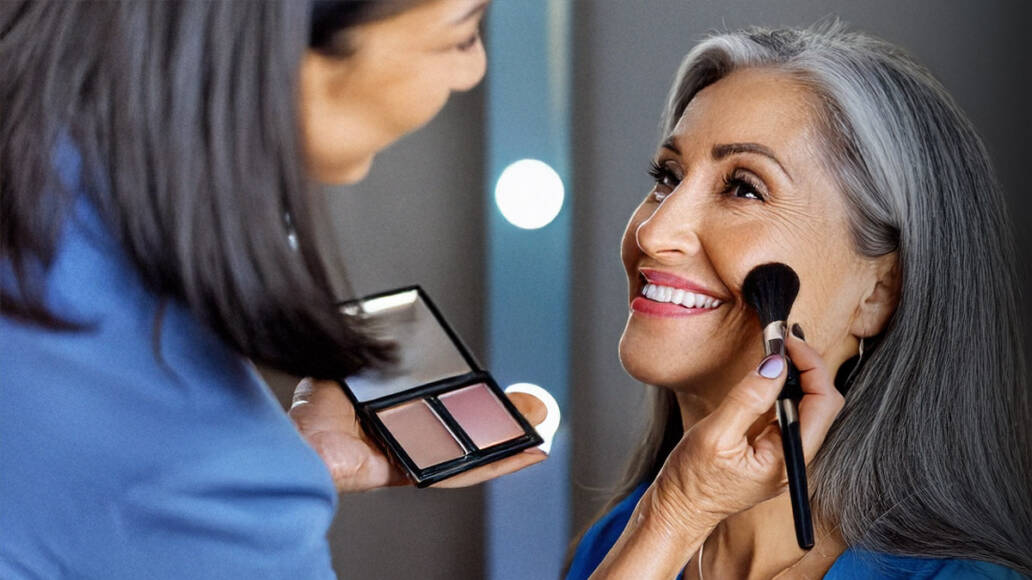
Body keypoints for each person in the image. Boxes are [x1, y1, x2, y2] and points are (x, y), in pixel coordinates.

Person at [0, 1, 547, 577]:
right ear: (286, 48)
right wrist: (656, 523)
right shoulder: (210, 476)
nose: (474, 70)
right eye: (461, 36)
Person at [564, 24, 1032, 579]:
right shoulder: (623, 538)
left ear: (878, 294)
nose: (654, 232)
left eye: (743, 188)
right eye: (668, 176)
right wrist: (672, 518)